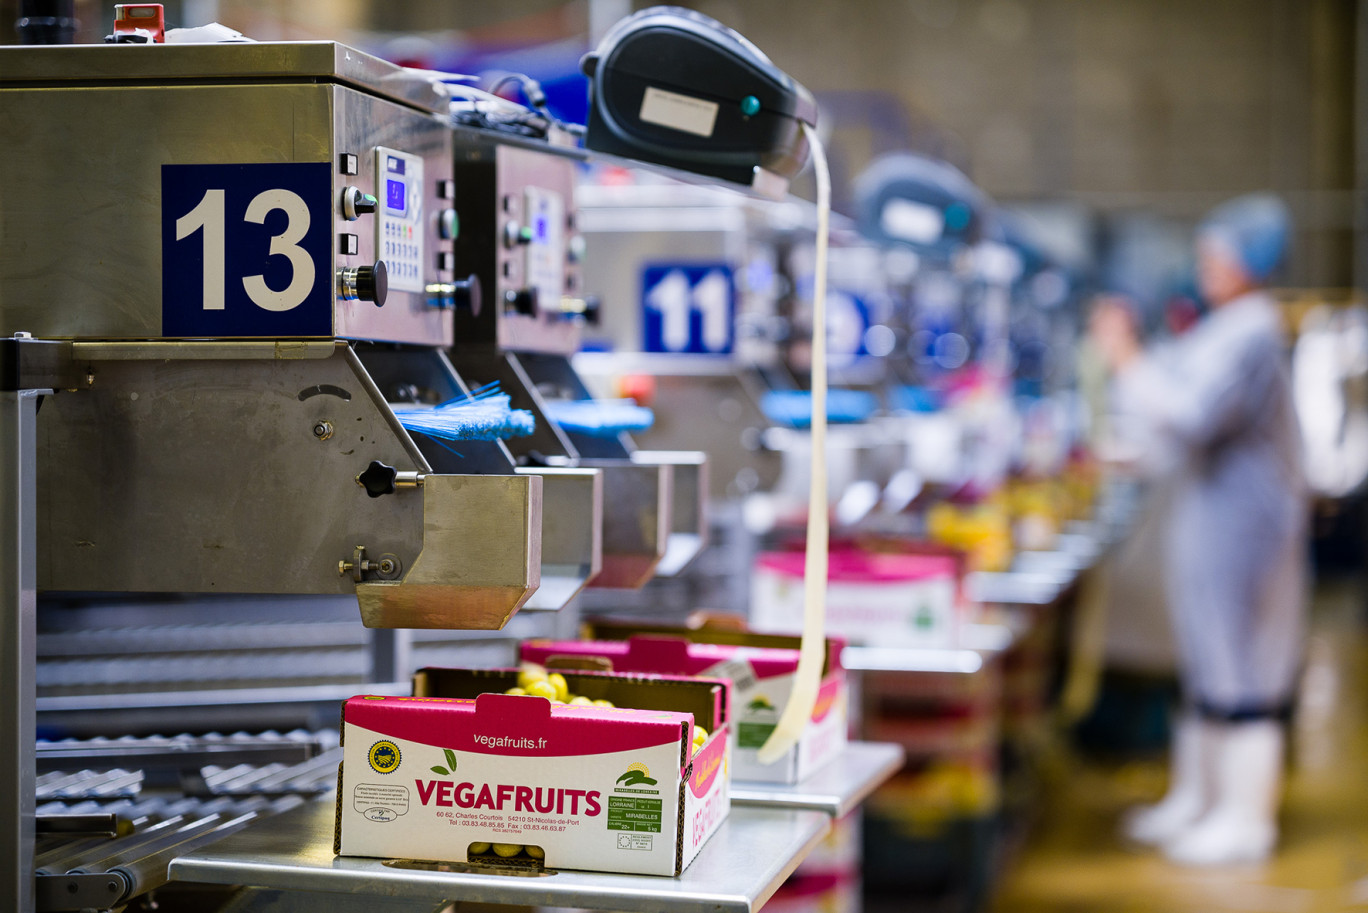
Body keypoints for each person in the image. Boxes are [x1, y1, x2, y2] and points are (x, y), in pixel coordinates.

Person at [1092, 194, 1307, 866]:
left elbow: (1187, 414)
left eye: (1218, 252)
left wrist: (1125, 355)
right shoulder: (1225, 326)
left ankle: (1245, 819)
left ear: (1250, 261)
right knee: (1207, 662)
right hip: (1211, 516)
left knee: (1241, 671)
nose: (1205, 263)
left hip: (1246, 523)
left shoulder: (1253, 329)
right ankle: (1199, 798)